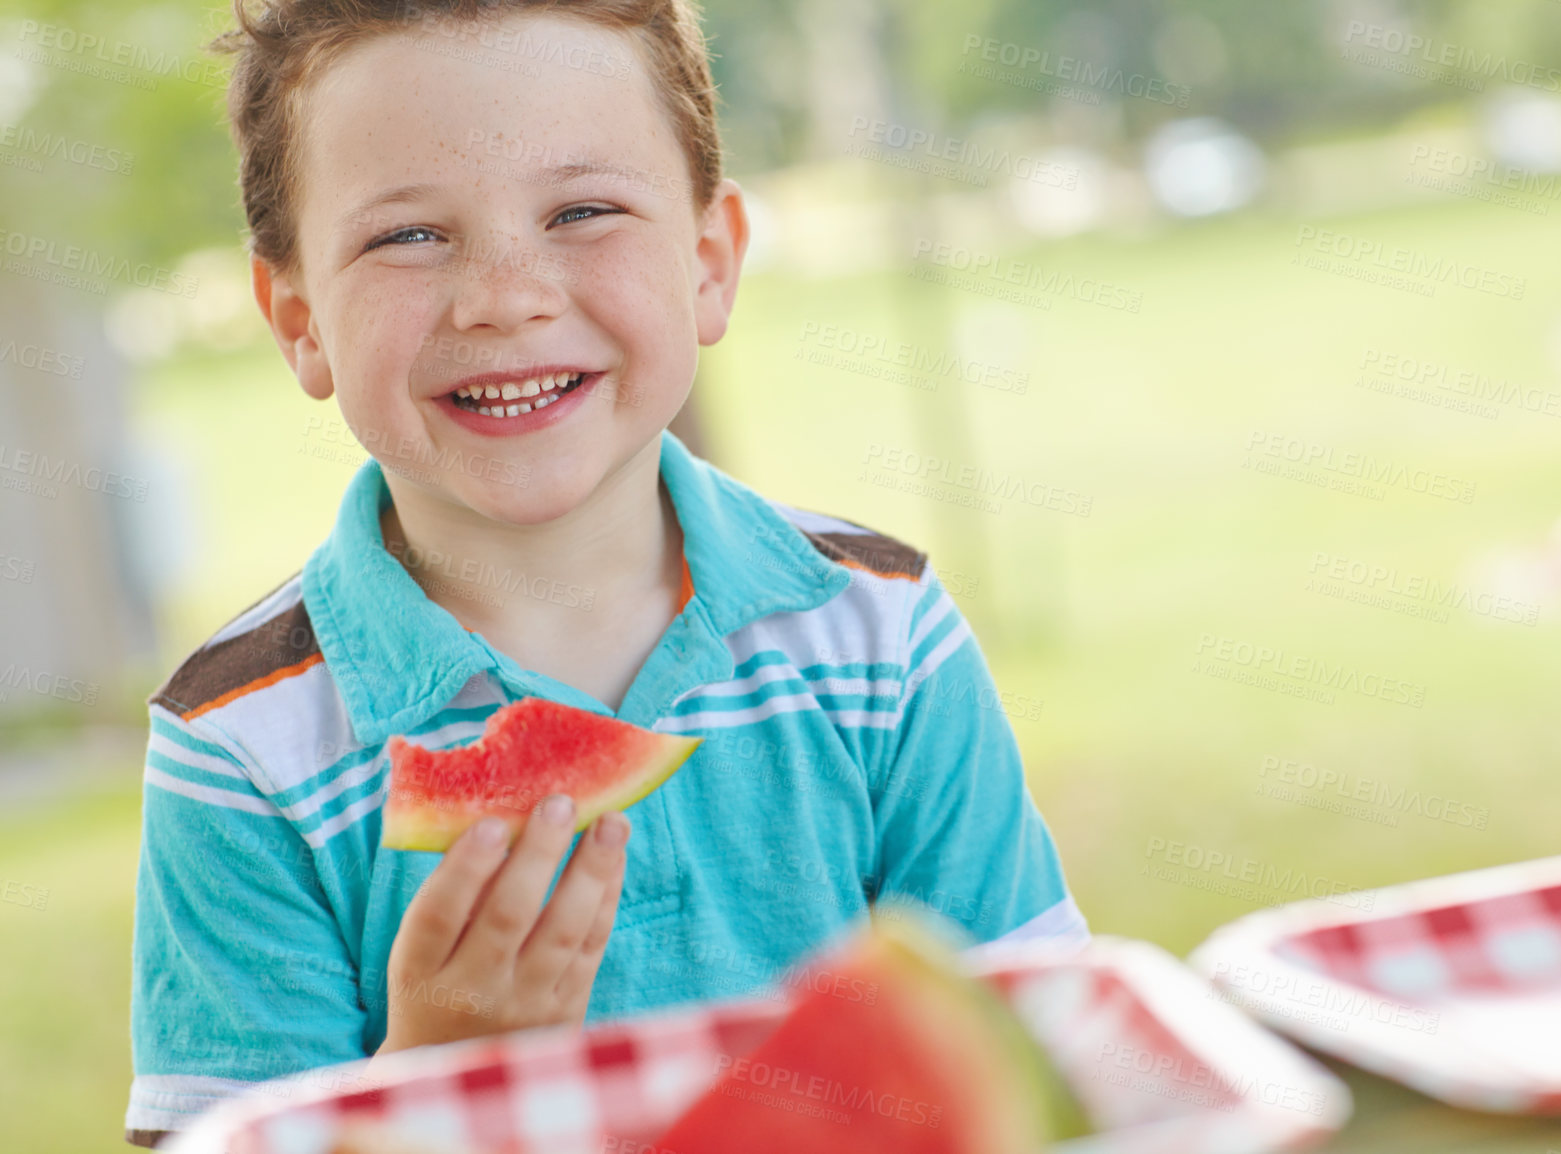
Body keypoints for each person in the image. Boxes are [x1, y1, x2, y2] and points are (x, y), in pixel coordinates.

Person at [124, 0, 1088, 1146]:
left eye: (582, 211)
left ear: (710, 263)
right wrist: (422, 1078)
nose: (505, 295)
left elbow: (1033, 1053)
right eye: (408, 237)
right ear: (297, 319)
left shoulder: (880, 637)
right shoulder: (239, 746)